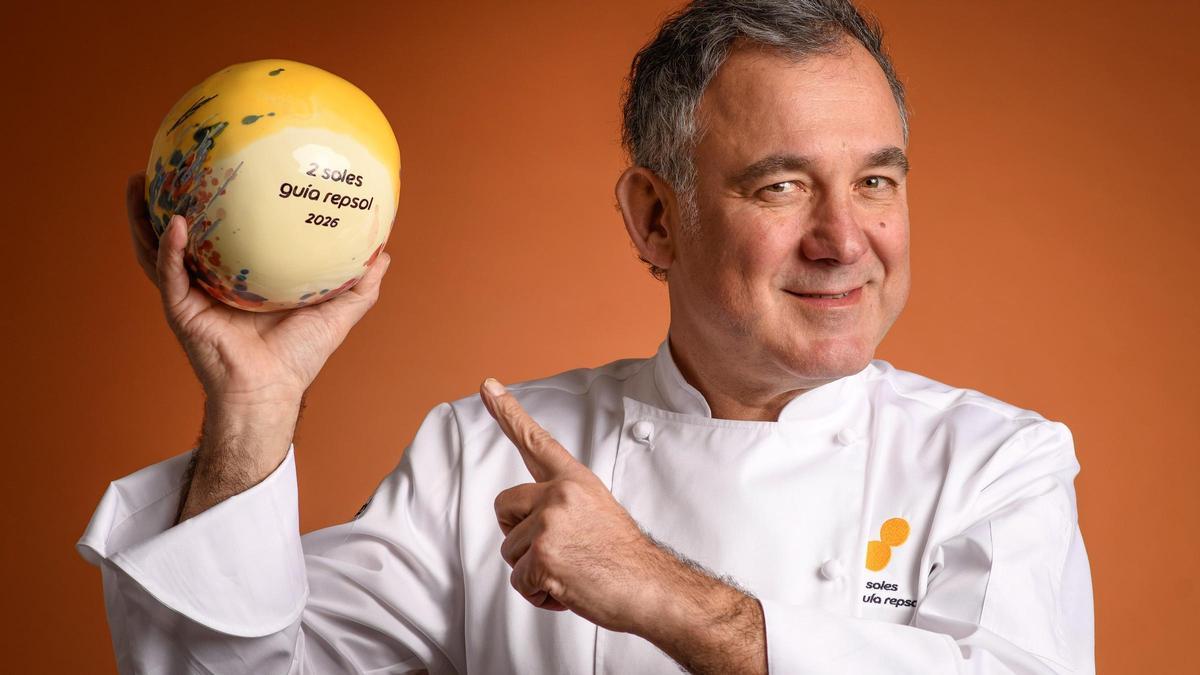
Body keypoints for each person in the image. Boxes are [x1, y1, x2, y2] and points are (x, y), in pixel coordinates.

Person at [77, 0, 1095, 673]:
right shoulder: (484, 454)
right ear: (656, 219)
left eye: (876, 180)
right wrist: (252, 410)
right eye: (780, 185)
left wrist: (661, 593)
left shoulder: (1000, 461)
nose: (844, 239)